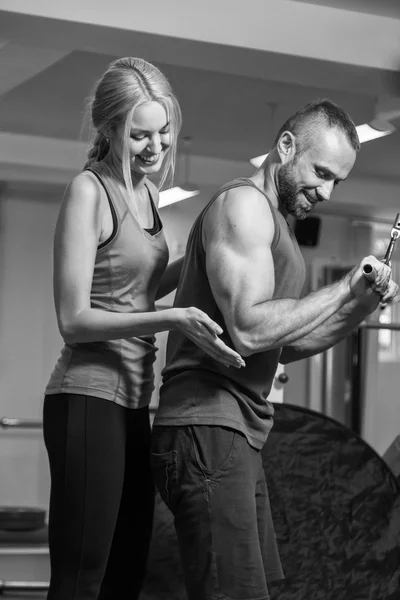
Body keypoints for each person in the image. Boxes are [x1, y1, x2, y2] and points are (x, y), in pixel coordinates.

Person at [151, 98, 398, 600]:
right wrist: (346, 285)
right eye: (320, 172)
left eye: (338, 182)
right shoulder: (244, 207)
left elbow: (284, 344)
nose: (326, 191)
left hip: (238, 430)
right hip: (208, 427)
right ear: (286, 146)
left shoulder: (278, 228)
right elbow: (247, 329)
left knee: (253, 590)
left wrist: (359, 305)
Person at [42, 57, 245, 600]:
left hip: (133, 401)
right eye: (139, 135)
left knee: (128, 573)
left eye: (163, 131)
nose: (155, 147)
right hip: (87, 396)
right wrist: (173, 318)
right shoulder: (91, 190)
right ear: (107, 129)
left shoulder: (150, 196)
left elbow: (139, 289)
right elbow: (73, 319)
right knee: (81, 579)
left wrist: (203, 244)